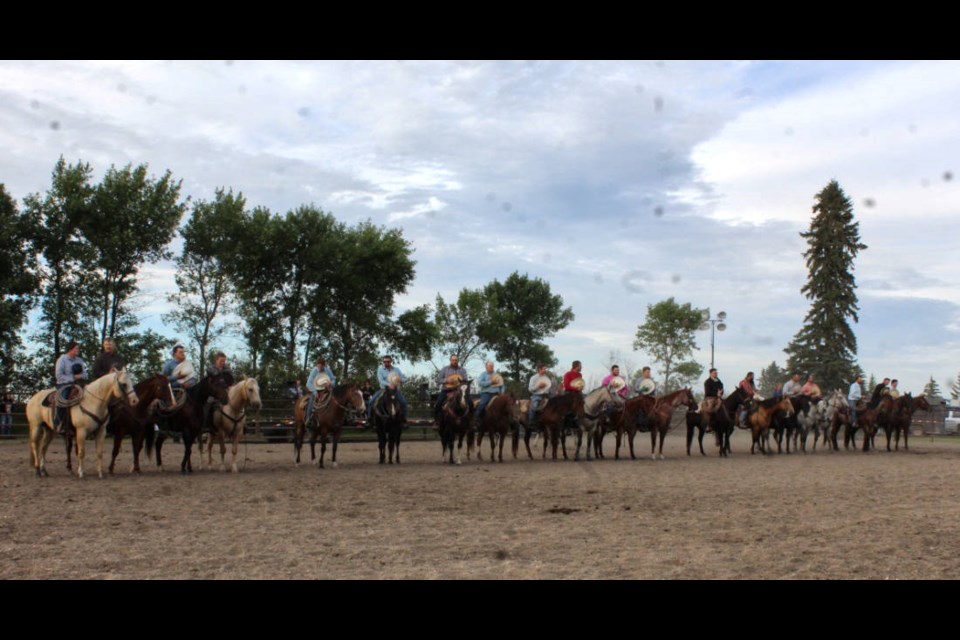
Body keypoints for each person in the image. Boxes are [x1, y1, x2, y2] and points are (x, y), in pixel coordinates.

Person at [54, 341, 88, 434]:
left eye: (78, 348)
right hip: (64, 384)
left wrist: (80, 376)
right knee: (63, 399)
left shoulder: (79, 360)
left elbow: (85, 373)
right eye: (76, 348)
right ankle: (59, 423)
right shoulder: (62, 360)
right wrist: (72, 378)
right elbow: (59, 375)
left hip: (78, 384)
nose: (78, 350)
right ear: (70, 349)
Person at [369, 355, 407, 425]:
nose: (386, 363)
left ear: (391, 362)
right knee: (371, 401)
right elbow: (381, 380)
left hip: (395, 390)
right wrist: (389, 384)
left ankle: (404, 419)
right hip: (383, 389)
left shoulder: (397, 370)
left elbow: (404, 378)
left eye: (388, 361)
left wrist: (402, 380)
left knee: (404, 402)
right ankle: (369, 420)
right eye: (384, 362)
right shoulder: (380, 369)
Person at [433, 354, 468, 423]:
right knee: (438, 403)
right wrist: (446, 380)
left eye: (456, 360)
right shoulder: (445, 369)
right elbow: (438, 379)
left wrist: (461, 382)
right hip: (446, 390)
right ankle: (436, 420)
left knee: (469, 402)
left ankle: (470, 422)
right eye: (453, 360)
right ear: (450, 361)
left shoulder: (462, 370)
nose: (454, 361)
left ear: (457, 361)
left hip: (458, 390)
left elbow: (466, 380)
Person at [305, 356, 336, 426]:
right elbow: (309, 383)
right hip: (316, 389)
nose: (319, 367)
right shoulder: (314, 371)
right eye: (318, 365)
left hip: (326, 390)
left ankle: (332, 418)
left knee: (333, 400)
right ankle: (308, 418)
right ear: (317, 365)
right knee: (312, 400)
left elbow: (333, 379)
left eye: (321, 366)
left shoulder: (327, 370)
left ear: (324, 365)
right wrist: (315, 392)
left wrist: (331, 384)